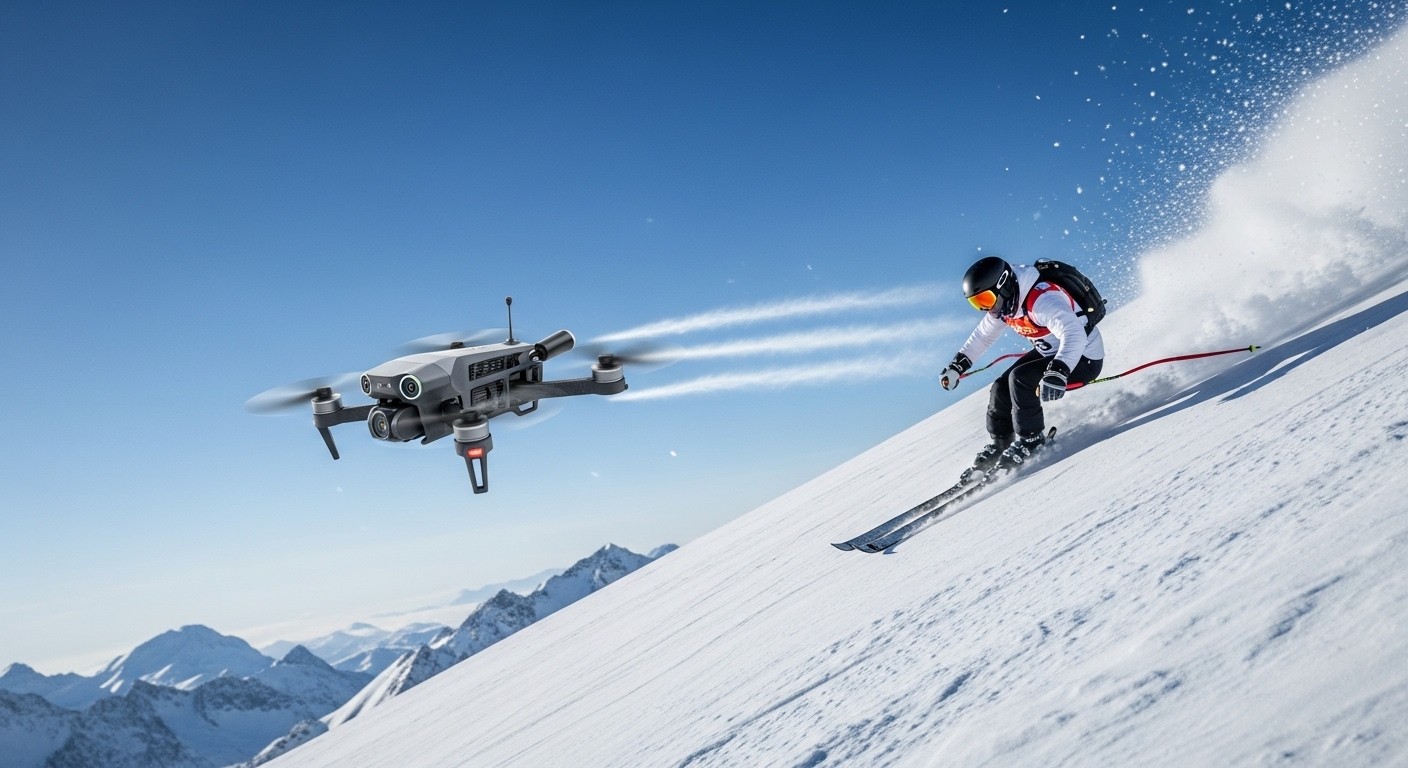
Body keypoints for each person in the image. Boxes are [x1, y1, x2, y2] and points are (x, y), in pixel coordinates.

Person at [938, 255, 1105, 470]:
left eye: (986, 300)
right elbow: (982, 337)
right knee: (1000, 386)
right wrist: (957, 366)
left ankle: (1031, 441)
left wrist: (1059, 370)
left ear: (1003, 284)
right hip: (1051, 354)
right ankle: (1000, 444)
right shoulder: (1005, 304)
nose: (986, 309)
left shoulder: (1042, 299)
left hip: (1083, 358)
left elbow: (1074, 334)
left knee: (1020, 379)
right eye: (977, 303)